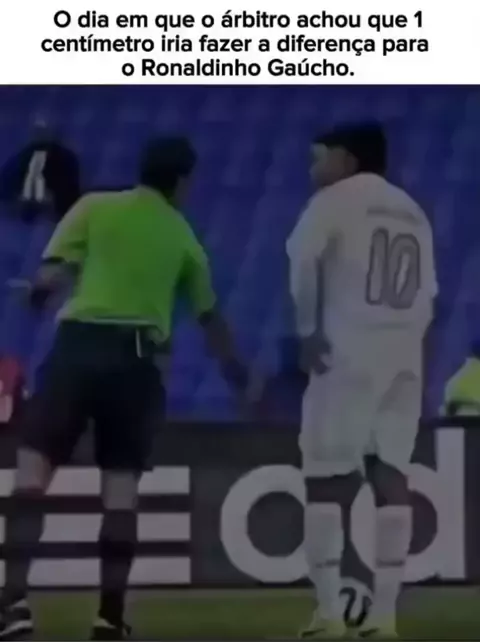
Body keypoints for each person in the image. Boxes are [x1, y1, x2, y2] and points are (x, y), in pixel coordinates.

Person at [0, 136, 253, 641]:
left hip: (78, 348)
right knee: (120, 492)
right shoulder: (184, 237)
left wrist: (39, 295)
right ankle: (109, 617)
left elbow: (52, 276)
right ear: (182, 182)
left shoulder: (94, 208)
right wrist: (237, 374)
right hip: (137, 361)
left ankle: (12, 605)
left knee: (32, 476)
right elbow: (210, 319)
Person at [286, 122, 438, 639]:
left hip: (347, 352)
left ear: (348, 160)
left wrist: (307, 330)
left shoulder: (333, 201)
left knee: (326, 479)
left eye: (321, 157)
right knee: (391, 475)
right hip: (403, 355)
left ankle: (330, 613)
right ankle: (385, 617)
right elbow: (429, 294)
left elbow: (302, 261)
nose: (315, 168)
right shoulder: (412, 211)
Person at [0, 119, 81, 222]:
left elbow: (71, 190)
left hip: (59, 211)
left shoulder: (66, 159)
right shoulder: (22, 159)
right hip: (26, 211)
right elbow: (6, 187)